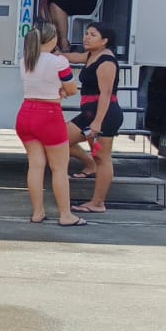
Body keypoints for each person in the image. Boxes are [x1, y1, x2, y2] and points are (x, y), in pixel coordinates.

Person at [16, 23, 85, 227]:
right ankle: (66, 215)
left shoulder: (25, 60)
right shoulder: (59, 62)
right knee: (59, 168)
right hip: (49, 115)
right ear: (53, 39)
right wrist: (62, 92)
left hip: (26, 113)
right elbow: (72, 89)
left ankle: (37, 212)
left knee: (35, 165)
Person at [64, 23, 123, 214]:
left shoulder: (106, 61)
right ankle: (89, 164)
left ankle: (98, 203)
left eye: (93, 35)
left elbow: (106, 94)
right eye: (86, 33)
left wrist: (97, 122)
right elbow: (75, 57)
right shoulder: (91, 55)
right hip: (88, 114)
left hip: (104, 115)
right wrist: (54, 54)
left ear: (104, 41)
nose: (86, 37)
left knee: (103, 158)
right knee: (60, 139)